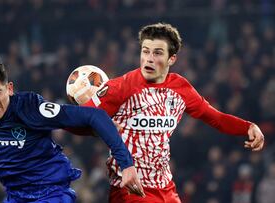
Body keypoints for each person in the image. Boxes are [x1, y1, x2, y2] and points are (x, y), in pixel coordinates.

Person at [83, 23, 265, 202]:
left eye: (157, 53)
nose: (149, 58)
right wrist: (100, 127)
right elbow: (78, 118)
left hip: (165, 189)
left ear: (172, 59)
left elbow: (215, 117)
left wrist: (247, 127)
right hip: (129, 190)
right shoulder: (120, 87)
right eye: (145, 51)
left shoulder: (181, 88)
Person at [0, 61, 145, 203]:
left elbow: (95, 116)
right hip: (15, 196)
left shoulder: (30, 109)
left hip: (50, 193)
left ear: (9, 89)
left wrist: (127, 165)